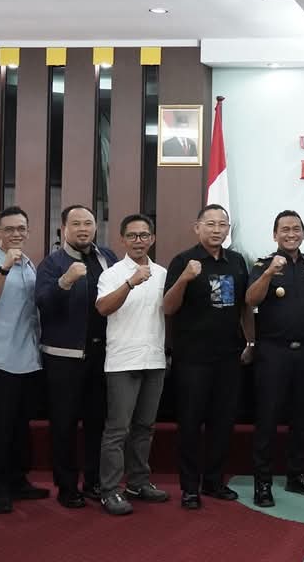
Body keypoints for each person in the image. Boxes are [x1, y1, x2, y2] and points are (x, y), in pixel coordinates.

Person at [164, 204, 253, 510]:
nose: (217, 229)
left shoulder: (237, 261)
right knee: (190, 423)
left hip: (229, 356)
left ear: (228, 229)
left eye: (222, 224)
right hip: (192, 357)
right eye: (210, 224)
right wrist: (185, 278)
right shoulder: (183, 261)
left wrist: (250, 341)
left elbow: (245, 306)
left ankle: (214, 481)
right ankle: (190, 488)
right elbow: (168, 307)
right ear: (197, 227)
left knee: (223, 422)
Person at [245, 210, 304, 508]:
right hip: (273, 352)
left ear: (303, 233)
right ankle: (262, 482)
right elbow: (251, 300)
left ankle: (297, 475)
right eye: (285, 229)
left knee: (302, 418)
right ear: (275, 235)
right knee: (267, 418)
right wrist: (269, 273)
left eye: (296, 229)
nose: (291, 234)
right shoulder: (262, 265)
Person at [35, 204, 118, 508]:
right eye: (77, 224)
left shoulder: (107, 257)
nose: (83, 229)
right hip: (64, 358)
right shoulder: (52, 263)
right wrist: (65, 281)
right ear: (64, 229)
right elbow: (43, 304)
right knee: (64, 424)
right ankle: (67, 486)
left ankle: (94, 481)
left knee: (97, 423)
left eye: (88, 223)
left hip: (102, 354)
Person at [94, 214, 170, 515]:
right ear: (123, 240)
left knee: (144, 427)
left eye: (144, 235)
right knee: (117, 429)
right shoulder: (112, 274)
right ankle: (109, 490)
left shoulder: (163, 274)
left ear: (152, 239)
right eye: (133, 235)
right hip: (122, 362)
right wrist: (130, 283)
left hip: (154, 358)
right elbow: (102, 308)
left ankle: (138, 482)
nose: (139, 240)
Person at [0, 206, 49, 514]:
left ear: (28, 231)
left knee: (21, 426)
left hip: (30, 357)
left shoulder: (30, 265)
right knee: (2, 428)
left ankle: (19, 481)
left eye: (21, 228)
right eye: (9, 229)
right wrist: (4, 268)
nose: (16, 233)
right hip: (1, 359)